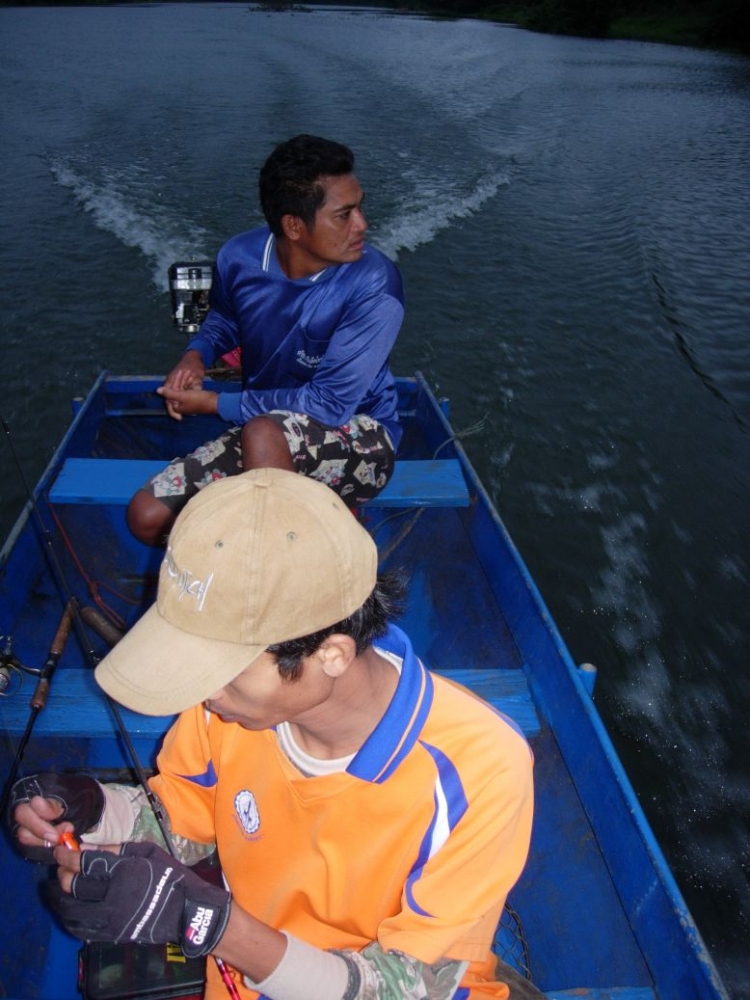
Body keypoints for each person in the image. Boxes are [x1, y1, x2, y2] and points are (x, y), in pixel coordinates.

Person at [10, 469, 537, 1000]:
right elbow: (185, 817)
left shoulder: (484, 769)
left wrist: (210, 926)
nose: (201, 690)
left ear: (331, 653)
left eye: (222, 666)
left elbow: (406, 988)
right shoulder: (228, 706)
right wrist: (93, 812)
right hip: (242, 968)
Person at [128, 133, 406, 547]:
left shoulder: (374, 284)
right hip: (264, 425)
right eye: (344, 214)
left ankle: (288, 574)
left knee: (262, 434)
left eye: (359, 207)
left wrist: (212, 404)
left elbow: (328, 405)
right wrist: (196, 355)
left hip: (361, 433)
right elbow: (224, 316)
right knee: (146, 517)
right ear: (294, 226)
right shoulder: (238, 258)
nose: (362, 224)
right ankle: (254, 553)